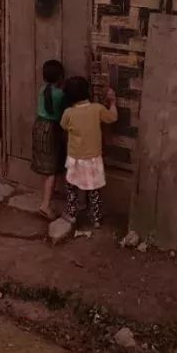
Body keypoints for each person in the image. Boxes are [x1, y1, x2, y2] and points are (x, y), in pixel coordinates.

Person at [59, 76, 118, 236]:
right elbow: (112, 117)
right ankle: (96, 218)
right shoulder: (97, 109)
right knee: (95, 189)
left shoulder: (68, 113)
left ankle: (72, 214)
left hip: (75, 158)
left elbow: (63, 125)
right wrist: (112, 103)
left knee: (72, 187)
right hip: (93, 158)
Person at [31, 59, 66, 220]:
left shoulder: (42, 90)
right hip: (51, 129)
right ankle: (45, 205)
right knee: (52, 169)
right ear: (60, 77)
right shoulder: (60, 94)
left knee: (47, 166)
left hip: (39, 126)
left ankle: (48, 197)